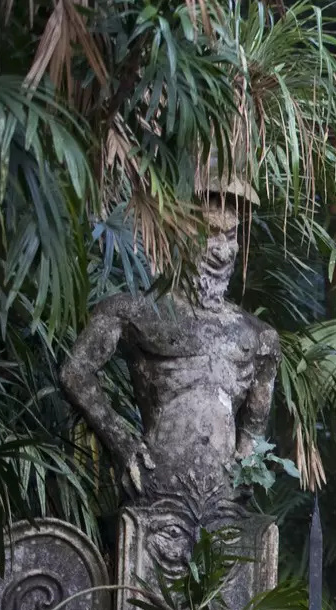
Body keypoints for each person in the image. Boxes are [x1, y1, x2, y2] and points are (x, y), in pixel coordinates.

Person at [60, 181, 279, 516]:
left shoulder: (258, 337)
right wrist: (123, 441)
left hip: (225, 504)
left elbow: (252, 432)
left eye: (231, 235)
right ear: (183, 234)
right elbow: (75, 371)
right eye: (211, 232)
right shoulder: (138, 312)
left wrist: (248, 463)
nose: (222, 250)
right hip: (155, 491)